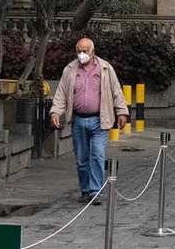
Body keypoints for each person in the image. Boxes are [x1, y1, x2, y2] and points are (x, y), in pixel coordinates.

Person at [50, 36, 128, 203]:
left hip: (100, 120)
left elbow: (116, 91)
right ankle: (85, 190)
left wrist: (121, 112)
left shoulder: (105, 68)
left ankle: (95, 192)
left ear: (93, 52)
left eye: (85, 51)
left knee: (98, 155)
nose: (81, 54)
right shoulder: (70, 69)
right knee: (82, 159)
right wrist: (55, 112)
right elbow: (61, 93)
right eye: (79, 51)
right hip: (78, 120)